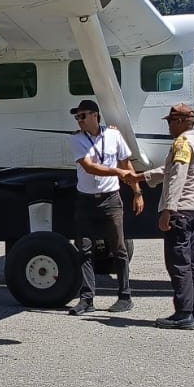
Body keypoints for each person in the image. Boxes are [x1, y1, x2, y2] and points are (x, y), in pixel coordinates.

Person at [65, 99, 142, 316]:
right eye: (77, 117)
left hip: (111, 200)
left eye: (82, 116)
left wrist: (137, 192)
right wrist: (118, 173)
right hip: (86, 200)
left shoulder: (113, 135)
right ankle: (86, 299)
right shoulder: (77, 140)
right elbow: (90, 167)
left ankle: (125, 296)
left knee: (119, 249)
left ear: (94, 115)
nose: (79, 120)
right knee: (85, 250)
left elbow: (127, 164)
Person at [141, 103, 194, 330]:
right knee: (193, 262)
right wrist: (142, 177)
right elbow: (169, 171)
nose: (168, 125)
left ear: (180, 121)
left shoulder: (182, 143)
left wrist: (168, 210)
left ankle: (183, 313)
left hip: (181, 210)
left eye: (170, 121)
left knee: (178, 262)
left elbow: (177, 177)